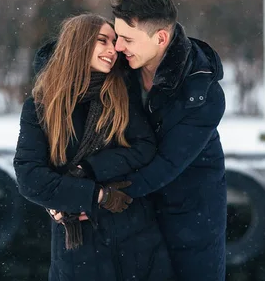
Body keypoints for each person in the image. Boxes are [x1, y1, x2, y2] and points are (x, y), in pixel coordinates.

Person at [13, 14, 175, 281]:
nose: (113, 50)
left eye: (114, 42)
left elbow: (144, 148)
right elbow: (29, 178)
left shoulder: (121, 93)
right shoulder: (41, 106)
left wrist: (85, 170)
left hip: (133, 238)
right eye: (103, 41)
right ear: (78, 45)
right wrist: (97, 195)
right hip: (77, 247)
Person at [82, 0, 227, 280]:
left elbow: (165, 165)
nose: (118, 46)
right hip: (133, 210)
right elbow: (57, 61)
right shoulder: (121, 63)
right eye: (116, 35)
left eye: (127, 39)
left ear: (160, 38)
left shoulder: (203, 93)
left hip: (191, 216)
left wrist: (95, 196)